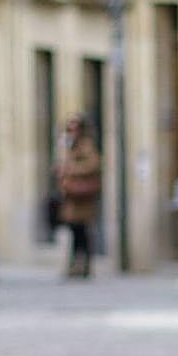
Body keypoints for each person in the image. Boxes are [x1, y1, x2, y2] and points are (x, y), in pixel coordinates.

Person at [54, 115, 102, 279]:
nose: (71, 132)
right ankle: (75, 264)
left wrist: (72, 168)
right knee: (74, 231)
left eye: (74, 129)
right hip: (71, 195)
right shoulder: (67, 145)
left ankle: (84, 265)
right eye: (69, 129)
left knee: (83, 231)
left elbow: (93, 164)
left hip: (82, 195)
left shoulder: (86, 145)